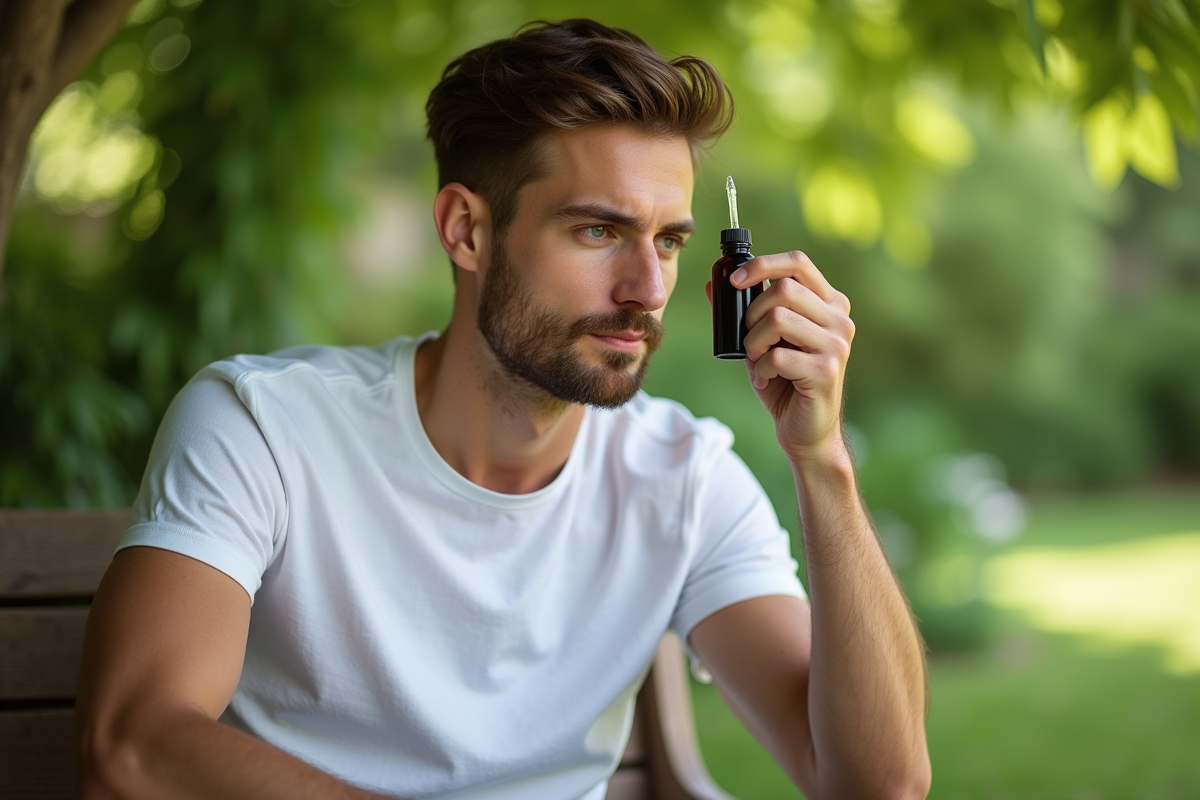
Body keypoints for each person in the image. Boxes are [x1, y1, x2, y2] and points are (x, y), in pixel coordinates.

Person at [76, 18, 931, 800]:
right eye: (598, 231)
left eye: (668, 240)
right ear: (467, 232)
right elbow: (134, 746)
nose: (647, 290)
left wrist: (822, 462)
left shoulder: (685, 478)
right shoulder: (263, 427)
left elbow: (874, 785)